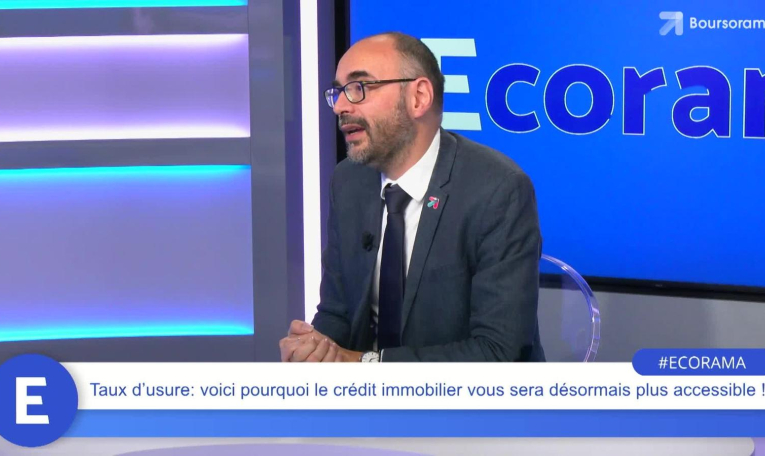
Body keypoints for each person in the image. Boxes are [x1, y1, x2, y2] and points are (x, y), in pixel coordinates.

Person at [279, 32, 544, 362]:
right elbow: (338, 312)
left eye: (359, 87)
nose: (341, 106)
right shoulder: (348, 181)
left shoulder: (497, 190)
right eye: (338, 92)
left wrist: (364, 365)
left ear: (419, 97)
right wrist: (315, 350)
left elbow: (499, 352)